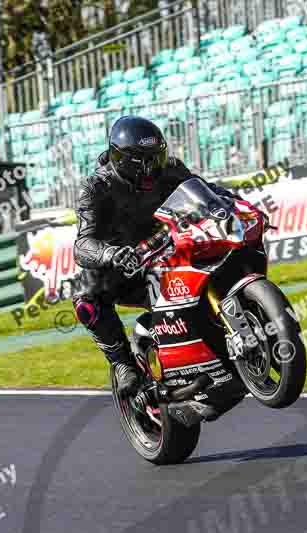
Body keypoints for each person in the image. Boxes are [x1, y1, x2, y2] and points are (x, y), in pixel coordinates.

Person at [71, 116, 241, 396]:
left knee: (218, 258)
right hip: (125, 266)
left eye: (157, 157)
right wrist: (112, 254)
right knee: (84, 297)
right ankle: (123, 364)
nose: (153, 167)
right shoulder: (95, 188)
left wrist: (232, 202)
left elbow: (209, 193)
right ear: (123, 159)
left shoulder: (170, 169)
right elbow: (82, 244)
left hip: (170, 249)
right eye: (144, 161)